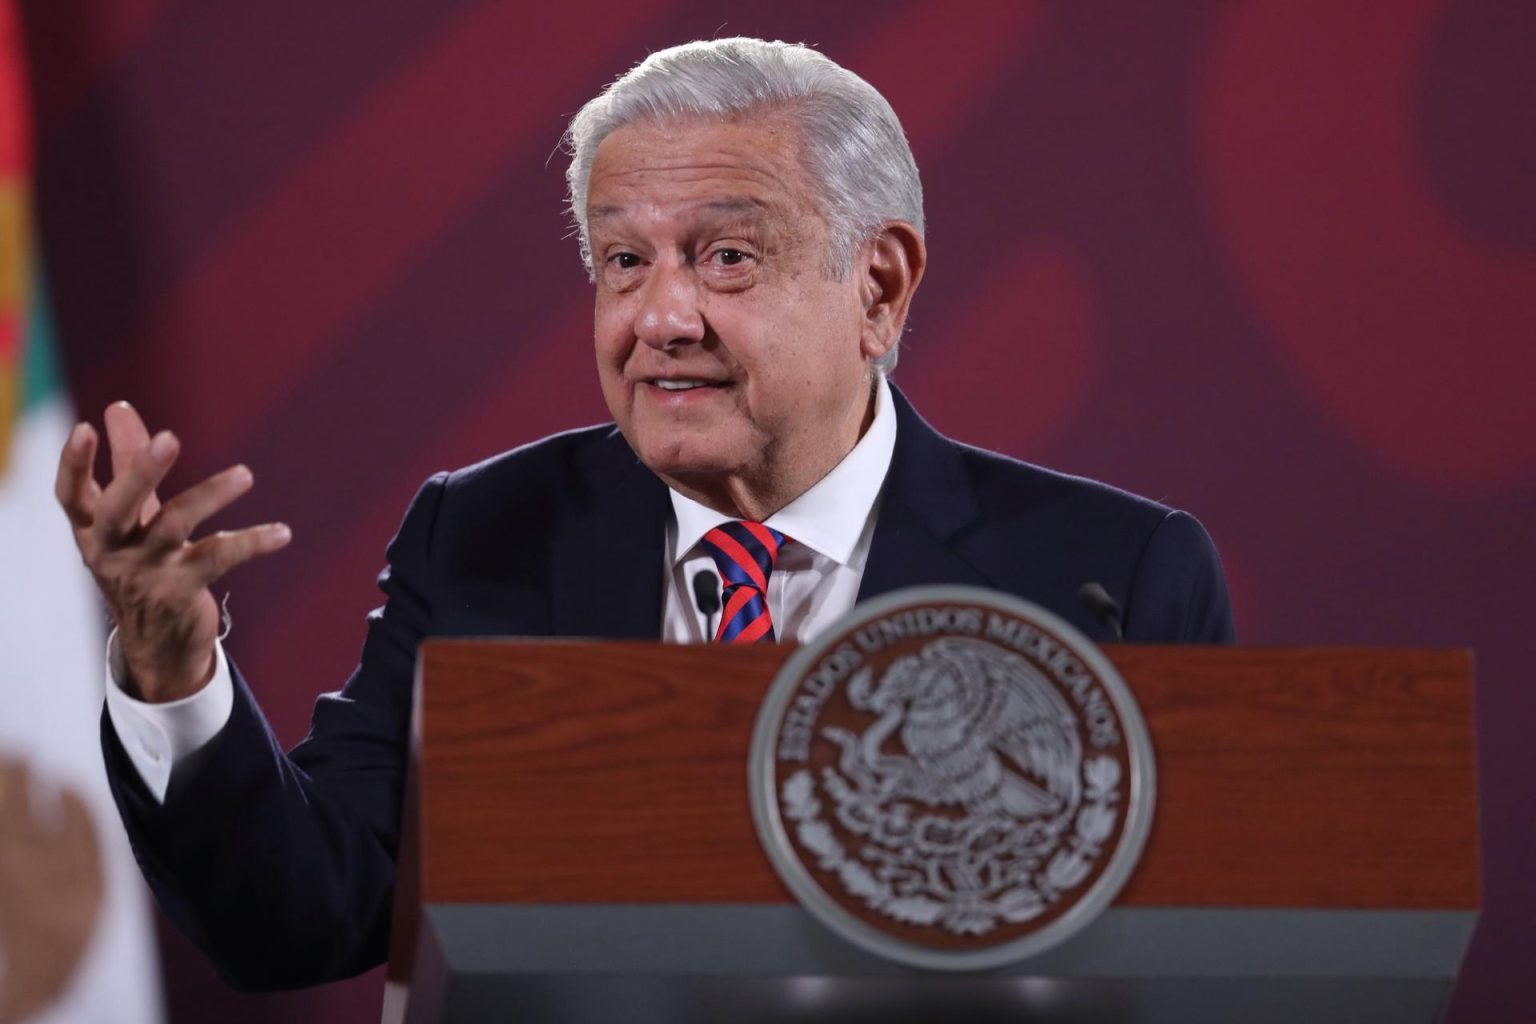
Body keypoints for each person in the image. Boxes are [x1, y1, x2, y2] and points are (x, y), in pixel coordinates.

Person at [54, 38, 1233, 989]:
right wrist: (174, 673)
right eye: (623, 262)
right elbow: (300, 918)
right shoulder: (485, 535)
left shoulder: (1111, 578)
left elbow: (1203, 977)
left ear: (878, 286)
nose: (659, 318)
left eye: (725, 257)